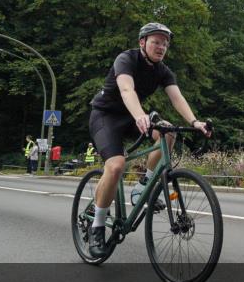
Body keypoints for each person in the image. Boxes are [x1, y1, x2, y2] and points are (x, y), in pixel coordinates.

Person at [86, 22, 211, 258]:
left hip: (134, 117)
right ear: (142, 43)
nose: (161, 47)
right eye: (156, 41)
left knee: (168, 131)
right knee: (115, 166)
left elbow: (177, 98)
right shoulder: (126, 59)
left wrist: (195, 122)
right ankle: (97, 227)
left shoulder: (163, 71)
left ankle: (144, 184)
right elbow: (126, 90)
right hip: (107, 116)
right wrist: (140, 116)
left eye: (165, 43)